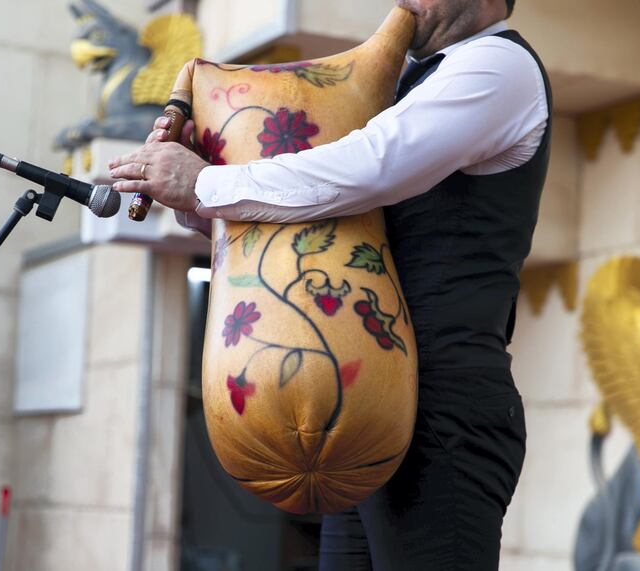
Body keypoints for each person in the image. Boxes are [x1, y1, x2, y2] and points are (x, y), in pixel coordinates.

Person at [109, 0, 550, 568]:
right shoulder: (417, 80)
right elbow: (327, 208)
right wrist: (198, 183)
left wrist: (208, 182)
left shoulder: (497, 64)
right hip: (372, 401)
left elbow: (371, 166)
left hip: (444, 410)